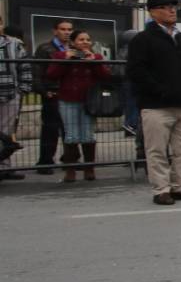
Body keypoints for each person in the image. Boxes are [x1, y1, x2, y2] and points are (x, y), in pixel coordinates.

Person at [127, 0, 181, 206]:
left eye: (173, 7)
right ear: (152, 12)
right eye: (165, 8)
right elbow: (136, 70)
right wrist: (159, 90)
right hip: (156, 105)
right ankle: (161, 189)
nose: (171, 11)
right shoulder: (143, 39)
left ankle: (179, 185)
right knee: (157, 149)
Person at [44, 30, 111, 181]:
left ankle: (89, 169)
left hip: (89, 101)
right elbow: (51, 74)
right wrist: (66, 60)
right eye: (81, 40)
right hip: (68, 99)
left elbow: (106, 76)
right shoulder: (61, 56)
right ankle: (70, 171)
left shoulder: (97, 56)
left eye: (88, 39)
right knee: (71, 135)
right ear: (73, 42)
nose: (85, 42)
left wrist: (94, 62)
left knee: (87, 134)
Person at [32, 18, 73, 175]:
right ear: (55, 31)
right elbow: (37, 71)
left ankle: (68, 158)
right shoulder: (45, 48)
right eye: (63, 29)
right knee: (50, 129)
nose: (67, 32)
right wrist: (43, 91)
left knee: (69, 128)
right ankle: (45, 161)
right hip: (52, 92)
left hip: (69, 92)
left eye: (69, 29)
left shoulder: (74, 47)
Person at [0, 16, 32, 180]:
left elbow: (25, 68)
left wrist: (22, 91)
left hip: (10, 94)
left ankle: (4, 168)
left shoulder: (14, 44)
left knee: (6, 133)